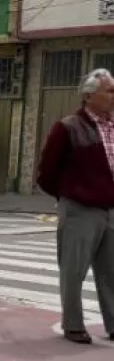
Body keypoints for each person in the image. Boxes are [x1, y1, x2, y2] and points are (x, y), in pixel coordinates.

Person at [37, 68, 114, 345]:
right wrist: (70, 196)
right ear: (90, 96)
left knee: (111, 272)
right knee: (74, 270)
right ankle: (73, 325)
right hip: (80, 209)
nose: (113, 96)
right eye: (110, 91)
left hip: (110, 210)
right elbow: (46, 172)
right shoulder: (68, 127)